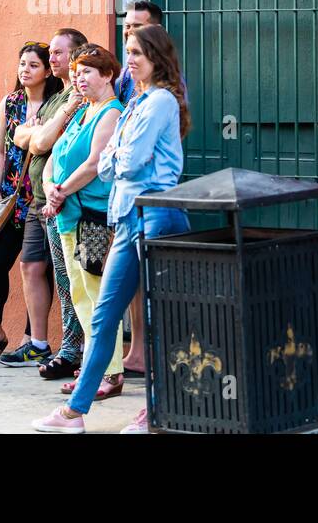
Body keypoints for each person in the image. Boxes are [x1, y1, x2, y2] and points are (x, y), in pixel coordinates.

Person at [33, 24, 191, 434]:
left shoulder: (158, 103)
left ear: (157, 57)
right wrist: (117, 156)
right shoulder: (137, 103)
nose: (131, 59)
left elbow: (129, 161)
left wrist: (117, 155)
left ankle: (148, 412)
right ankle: (78, 412)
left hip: (152, 215)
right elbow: (107, 163)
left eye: (138, 52)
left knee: (148, 318)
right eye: (129, 52)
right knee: (105, 317)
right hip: (128, 219)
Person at [41, 45, 126, 400]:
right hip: (66, 216)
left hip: (92, 218)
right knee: (79, 294)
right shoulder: (80, 113)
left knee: (97, 292)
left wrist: (59, 192)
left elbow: (94, 164)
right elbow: (51, 159)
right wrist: (50, 189)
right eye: (76, 70)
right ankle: (93, 367)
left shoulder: (110, 112)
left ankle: (112, 371)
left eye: (88, 70)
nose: (79, 76)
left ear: (107, 75)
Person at [111, 0, 187, 375]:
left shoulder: (163, 91)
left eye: (138, 27)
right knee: (130, 284)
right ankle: (136, 350)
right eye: (126, 27)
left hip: (149, 193)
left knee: (151, 283)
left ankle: (149, 355)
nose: (129, 32)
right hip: (123, 195)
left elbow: (135, 151)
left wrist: (121, 156)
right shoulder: (127, 76)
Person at [0, 42, 62, 364]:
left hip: (39, 199)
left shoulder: (55, 106)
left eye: (33, 65)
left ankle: (31, 337)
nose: (24, 70)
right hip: (10, 200)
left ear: (47, 71)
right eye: (21, 64)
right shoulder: (9, 103)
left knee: (38, 268)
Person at [19, 30, 89, 376]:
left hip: (69, 201)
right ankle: (68, 349)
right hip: (43, 199)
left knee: (75, 279)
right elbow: (24, 138)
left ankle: (77, 351)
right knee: (63, 279)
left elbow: (43, 140)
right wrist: (36, 135)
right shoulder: (53, 97)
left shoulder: (79, 98)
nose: (54, 59)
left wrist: (37, 134)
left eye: (60, 53)